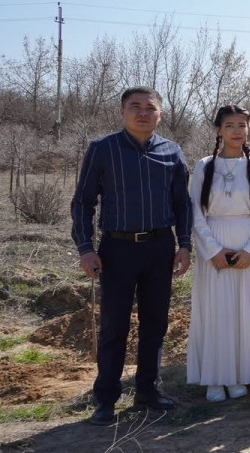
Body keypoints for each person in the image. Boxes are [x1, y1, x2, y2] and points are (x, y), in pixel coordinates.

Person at [71, 86, 193, 426]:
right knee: (114, 325)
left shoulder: (172, 152)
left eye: (149, 108)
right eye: (134, 106)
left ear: (160, 114)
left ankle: (147, 390)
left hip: (159, 247)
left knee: (155, 323)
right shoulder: (103, 149)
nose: (142, 113)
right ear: (122, 112)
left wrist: (184, 244)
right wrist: (85, 248)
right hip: (117, 249)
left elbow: (183, 203)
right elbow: (83, 202)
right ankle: (106, 399)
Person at [187, 105, 250, 402]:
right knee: (217, 311)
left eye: (242, 125)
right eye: (229, 125)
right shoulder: (204, 167)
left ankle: (240, 373)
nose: (236, 131)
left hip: (248, 245)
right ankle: (215, 378)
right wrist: (212, 250)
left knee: (245, 311)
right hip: (214, 244)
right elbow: (195, 213)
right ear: (219, 130)